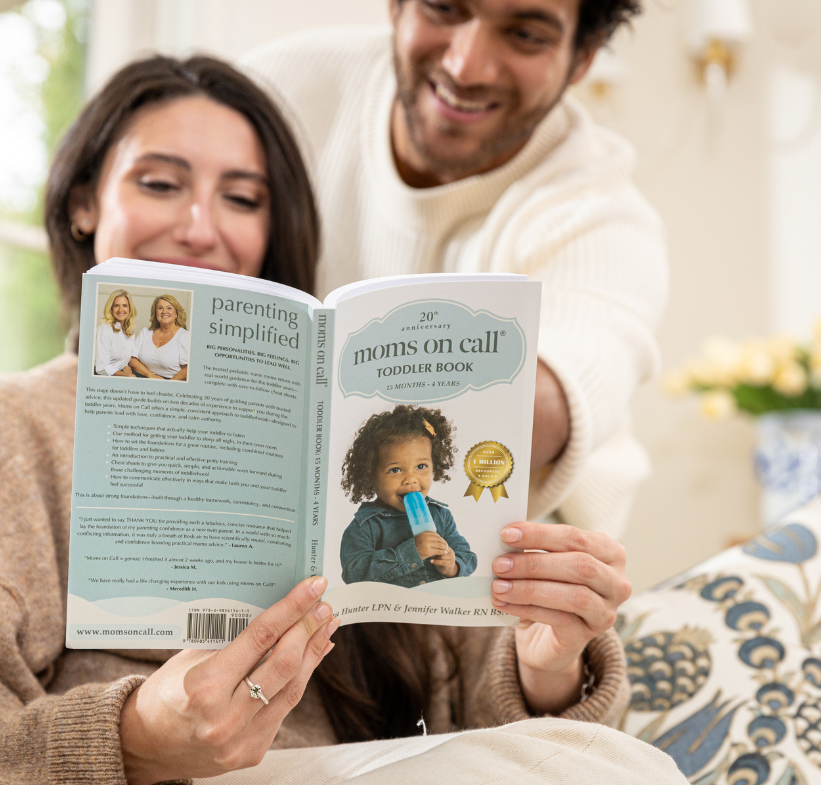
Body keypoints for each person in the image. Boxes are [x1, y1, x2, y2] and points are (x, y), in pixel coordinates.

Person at [0, 55, 681, 785]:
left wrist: (547, 661)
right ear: (85, 204)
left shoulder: (354, 439)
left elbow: (478, 710)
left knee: (619, 769)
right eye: (159, 184)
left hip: (375, 769)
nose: (201, 226)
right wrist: (132, 738)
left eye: (242, 198)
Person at [240, 0, 669, 542]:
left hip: (507, 565)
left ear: (582, 58)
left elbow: (533, 407)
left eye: (525, 34)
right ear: (396, 7)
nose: (466, 67)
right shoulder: (280, 92)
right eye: (444, 7)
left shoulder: (601, 216)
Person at [339, 405, 477, 586]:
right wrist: (411, 553)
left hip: (435, 608)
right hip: (386, 611)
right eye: (395, 470)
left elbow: (467, 557)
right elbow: (354, 574)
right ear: (370, 474)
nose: (411, 479)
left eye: (421, 467)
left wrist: (453, 566)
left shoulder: (441, 516)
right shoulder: (365, 526)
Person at [129, 294, 191, 380]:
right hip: (143, 377)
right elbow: (132, 360)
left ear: (176, 313)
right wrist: (151, 375)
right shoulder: (145, 332)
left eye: (169, 308)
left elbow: (188, 369)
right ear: (155, 313)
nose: (164, 311)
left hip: (170, 382)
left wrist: (166, 386)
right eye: (160, 308)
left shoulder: (185, 336)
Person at [95, 289, 139, 376]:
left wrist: (126, 367)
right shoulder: (105, 328)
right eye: (116, 306)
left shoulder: (130, 331)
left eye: (125, 305)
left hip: (120, 373)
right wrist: (126, 375)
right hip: (103, 376)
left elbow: (123, 359)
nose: (121, 309)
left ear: (130, 308)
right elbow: (101, 368)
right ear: (111, 308)